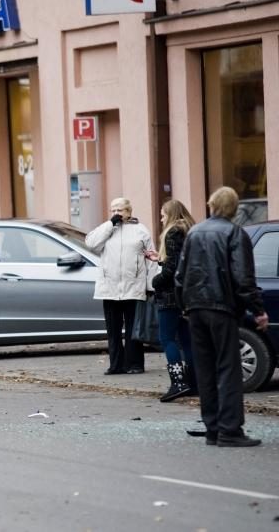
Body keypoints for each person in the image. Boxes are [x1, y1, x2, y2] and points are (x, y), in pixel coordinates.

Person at [175, 187, 269, 447]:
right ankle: (230, 430)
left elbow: (180, 276)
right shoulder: (234, 233)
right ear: (234, 208)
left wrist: (185, 306)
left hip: (195, 309)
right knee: (228, 367)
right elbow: (243, 279)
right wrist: (258, 310)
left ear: (212, 204)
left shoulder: (194, 232)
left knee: (205, 369)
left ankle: (213, 427)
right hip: (222, 308)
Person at [86, 197, 154, 375]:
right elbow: (91, 243)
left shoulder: (141, 230)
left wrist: (151, 285)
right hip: (110, 287)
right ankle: (116, 364)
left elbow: (151, 260)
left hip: (134, 286)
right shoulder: (106, 229)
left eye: (120, 210)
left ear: (129, 211)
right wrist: (110, 224)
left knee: (133, 329)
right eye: (113, 210)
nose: (117, 213)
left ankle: (135, 364)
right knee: (113, 329)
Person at [145, 199, 196, 402]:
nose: (161, 218)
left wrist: (155, 281)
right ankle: (194, 382)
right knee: (186, 339)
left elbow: (171, 270)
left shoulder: (173, 232)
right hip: (185, 294)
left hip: (170, 295)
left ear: (172, 215)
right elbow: (177, 261)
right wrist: (160, 258)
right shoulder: (189, 230)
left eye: (163, 214)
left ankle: (178, 383)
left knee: (167, 338)